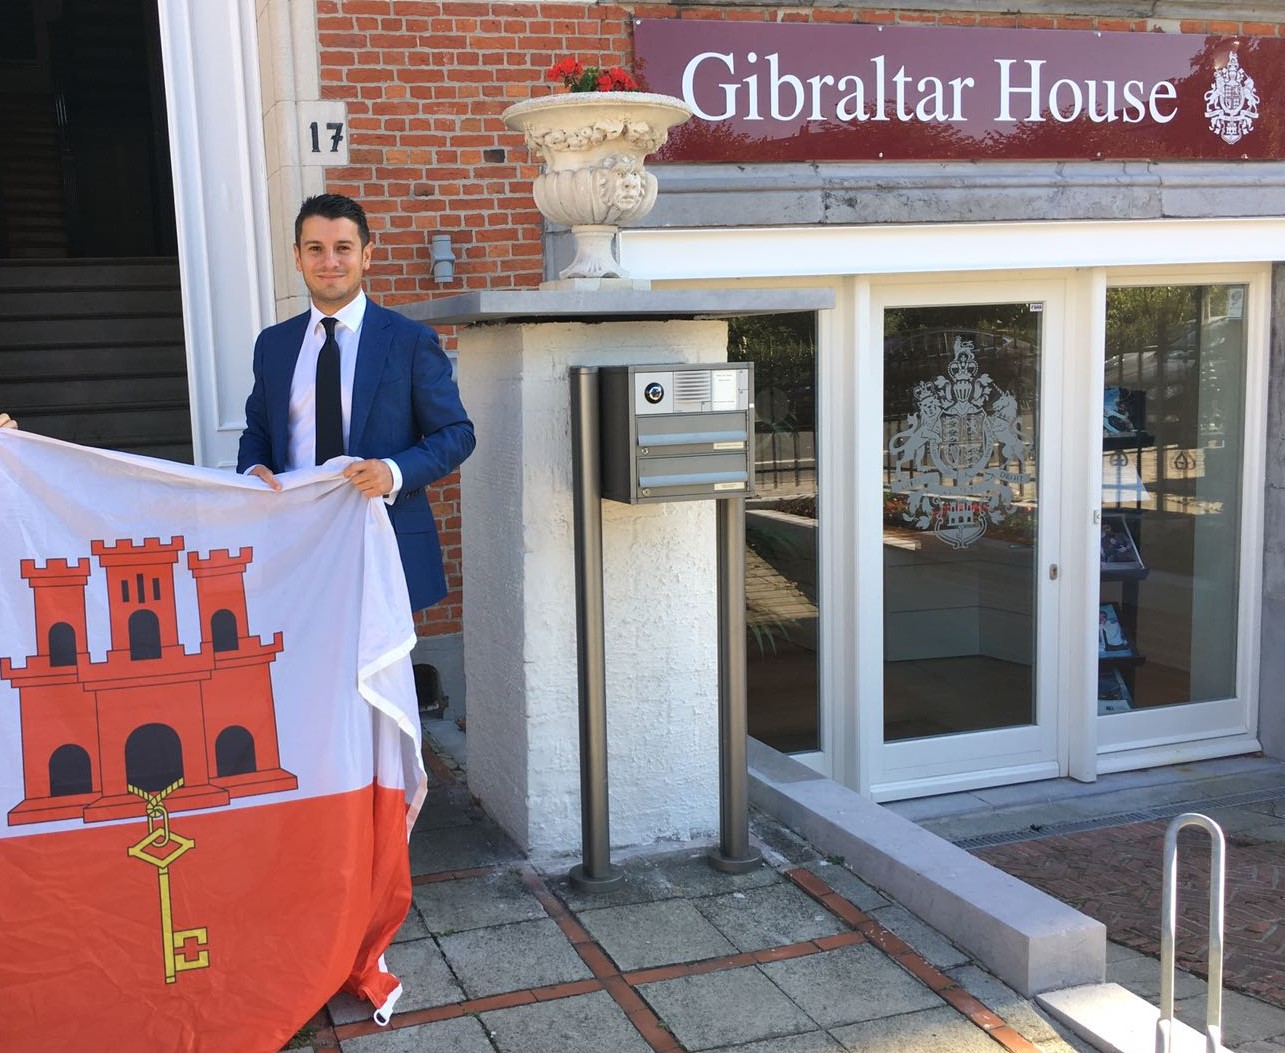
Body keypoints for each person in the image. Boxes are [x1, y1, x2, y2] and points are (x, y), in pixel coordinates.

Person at [238, 193, 475, 612]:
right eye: (316, 248)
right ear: (298, 257)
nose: (329, 261)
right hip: (294, 542)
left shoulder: (409, 340)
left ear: (366, 255)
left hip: (383, 539)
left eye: (343, 248)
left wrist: (393, 472)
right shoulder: (273, 345)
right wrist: (253, 469)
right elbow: (258, 430)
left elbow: (456, 434)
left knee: (381, 657)